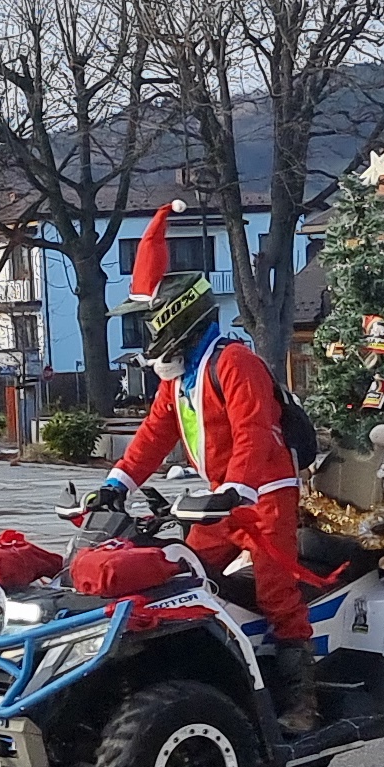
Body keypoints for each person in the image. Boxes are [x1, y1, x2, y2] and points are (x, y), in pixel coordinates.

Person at [89, 205, 321, 732]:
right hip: (224, 498)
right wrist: (115, 484)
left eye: (148, 320)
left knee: (277, 590)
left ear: (176, 321)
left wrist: (238, 486)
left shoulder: (234, 363)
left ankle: (301, 702)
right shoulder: (179, 381)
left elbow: (254, 431)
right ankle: (217, 678)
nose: (144, 333)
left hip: (265, 493)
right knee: (188, 574)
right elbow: (153, 437)